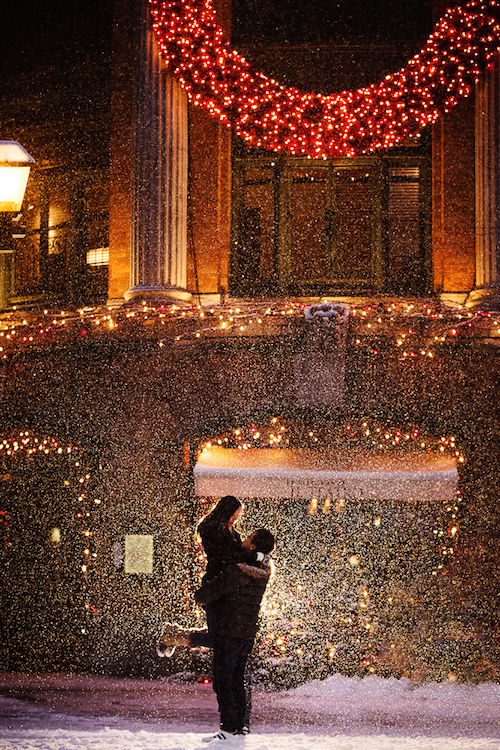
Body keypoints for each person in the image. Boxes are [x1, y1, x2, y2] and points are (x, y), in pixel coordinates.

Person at [157, 496, 264, 656]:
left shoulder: (232, 532)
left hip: (228, 587)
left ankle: (175, 635)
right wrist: (253, 557)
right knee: (218, 639)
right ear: (226, 511)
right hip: (216, 585)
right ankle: (174, 635)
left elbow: (235, 556)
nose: (236, 518)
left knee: (223, 636)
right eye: (234, 514)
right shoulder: (213, 530)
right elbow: (226, 557)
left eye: (238, 515)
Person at [200, 528, 275, 741]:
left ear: (252, 546)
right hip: (247, 632)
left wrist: (201, 594)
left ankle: (228, 729)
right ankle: (241, 726)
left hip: (229, 629)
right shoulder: (263, 568)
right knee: (238, 680)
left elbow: (210, 593)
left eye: (249, 538)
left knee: (223, 681)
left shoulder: (239, 570)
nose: (245, 539)